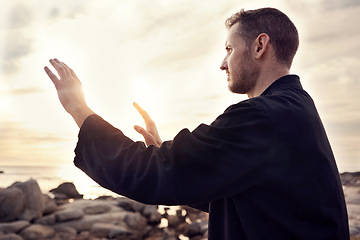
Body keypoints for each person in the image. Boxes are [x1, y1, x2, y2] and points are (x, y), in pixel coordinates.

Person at [44, 7, 349, 240]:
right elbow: (245, 194)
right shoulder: (297, 107)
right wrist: (167, 151)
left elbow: (150, 174)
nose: (222, 62)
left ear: (260, 46)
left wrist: (78, 110)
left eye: (229, 49)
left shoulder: (263, 116)